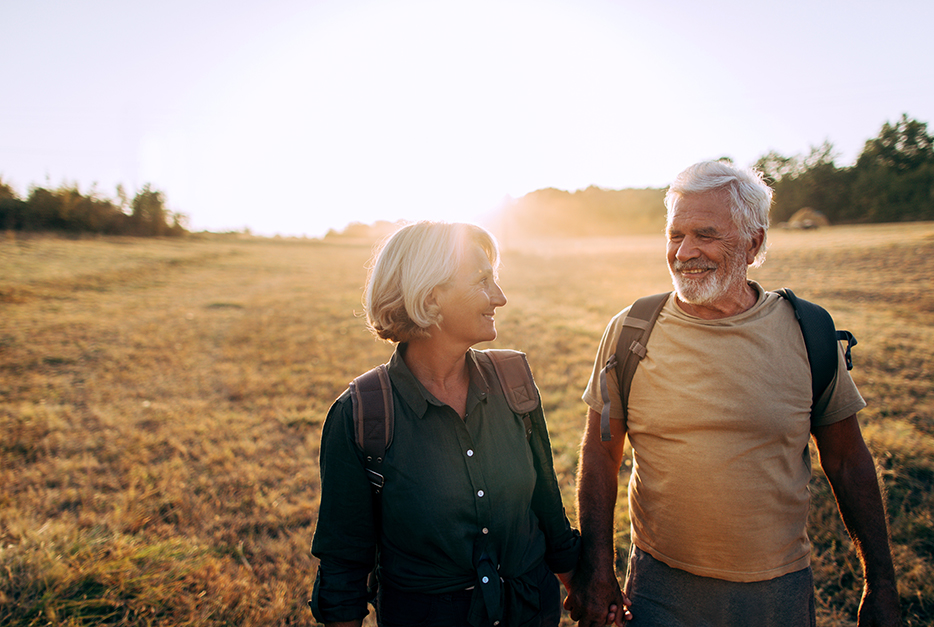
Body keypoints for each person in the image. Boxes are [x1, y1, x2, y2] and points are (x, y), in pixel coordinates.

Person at [563, 161, 901, 627]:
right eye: (675, 235)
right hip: (660, 590)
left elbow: (847, 460)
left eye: (705, 234)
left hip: (777, 593)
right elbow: (600, 456)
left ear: (755, 242)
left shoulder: (809, 332)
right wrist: (598, 569)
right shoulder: (630, 330)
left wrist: (881, 582)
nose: (685, 252)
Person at [309, 221, 583, 627]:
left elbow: (547, 511)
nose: (500, 298)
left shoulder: (514, 381)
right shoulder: (360, 414)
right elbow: (344, 569)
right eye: (482, 282)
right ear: (431, 295)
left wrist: (588, 589)